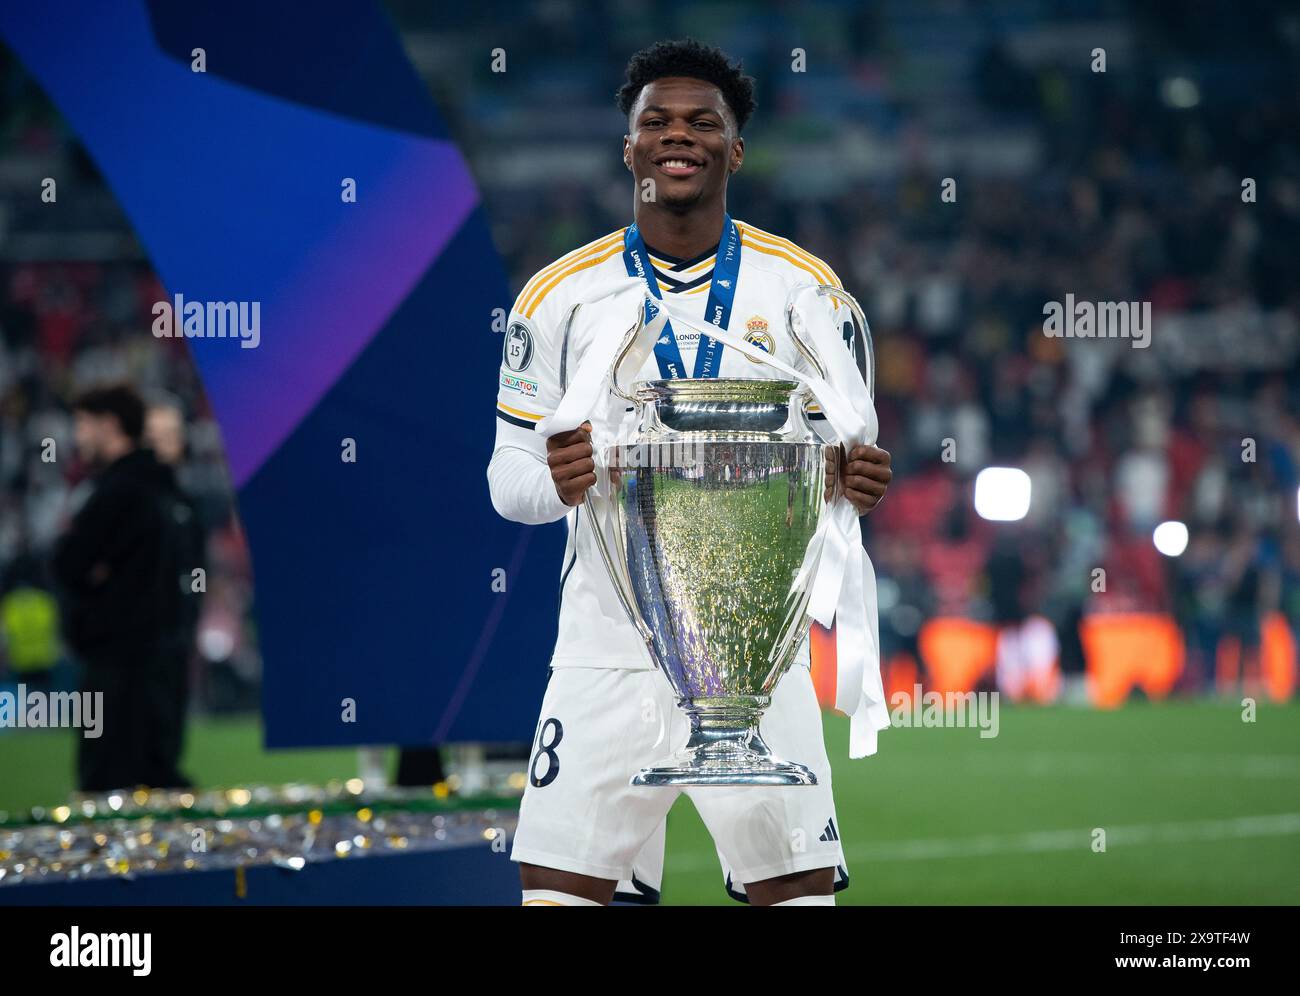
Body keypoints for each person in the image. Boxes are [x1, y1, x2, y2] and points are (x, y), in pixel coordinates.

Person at [487, 39, 892, 906]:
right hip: (606, 650)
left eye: (703, 122)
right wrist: (554, 480)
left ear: (735, 148)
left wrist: (855, 483)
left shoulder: (807, 295)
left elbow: (843, 469)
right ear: (629, 146)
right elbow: (506, 480)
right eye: (657, 122)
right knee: (560, 897)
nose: (680, 136)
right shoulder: (557, 296)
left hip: (754, 656)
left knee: (796, 897)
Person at [52, 384, 195, 792]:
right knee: (153, 782)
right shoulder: (165, 494)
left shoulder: (122, 491)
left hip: (118, 664)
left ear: (109, 425)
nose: (77, 437)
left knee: (107, 785)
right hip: (156, 662)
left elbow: (67, 564)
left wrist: (97, 587)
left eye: (82, 424)